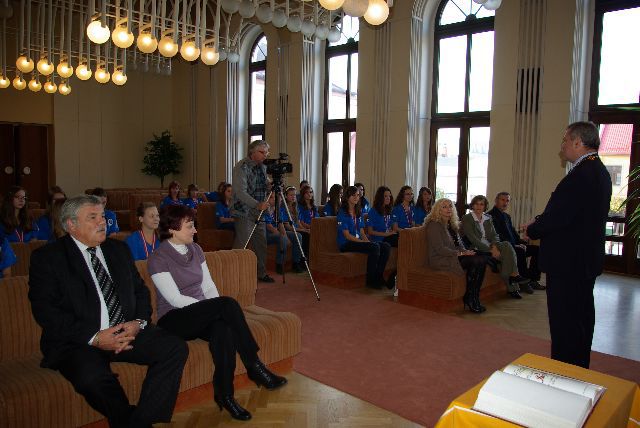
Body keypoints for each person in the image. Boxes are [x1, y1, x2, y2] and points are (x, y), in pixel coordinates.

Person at [28, 195, 188, 427]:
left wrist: (137, 323)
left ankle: (140, 421)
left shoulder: (118, 249)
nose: (102, 222)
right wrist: (95, 337)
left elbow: (140, 291)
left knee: (174, 348)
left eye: (102, 216)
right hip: (79, 341)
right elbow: (46, 311)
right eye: (92, 217)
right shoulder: (48, 258)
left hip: (126, 330)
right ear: (71, 225)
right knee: (91, 378)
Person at [148, 204, 287, 421]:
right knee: (227, 304)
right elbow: (174, 299)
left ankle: (225, 396)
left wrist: (213, 311)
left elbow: (208, 286)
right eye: (189, 226)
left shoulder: (196, 249)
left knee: (223, 330)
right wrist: (212, 308)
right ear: (172, 228)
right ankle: (254, 364)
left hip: (201, 313)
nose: (195, 230)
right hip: (174, 318)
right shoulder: (158, 258)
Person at [526, 121, 611, 369]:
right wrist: (542, 220)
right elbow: (574, 215)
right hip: (583, 260)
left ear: (577, 142)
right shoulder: (599, 171)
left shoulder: (581, 175)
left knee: (565, 322)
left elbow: (559, 216)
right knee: (581, 319)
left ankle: (565, 370)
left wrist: (533, 229)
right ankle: (578, 366)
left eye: (565, 140)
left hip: (568, 263)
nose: (562, 146)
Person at [426, 198, 489, 313]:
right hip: (440, 259)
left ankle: (473, 297)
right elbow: (440, 249)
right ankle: (470, 298)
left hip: (454, 255)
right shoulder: (434, 225)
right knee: (476, 261)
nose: (448, 209)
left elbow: (459, 244)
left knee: (482, 259)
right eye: (444, 207)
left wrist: (465, 251)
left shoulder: (452, 224)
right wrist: (461, 253)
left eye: (450, 206)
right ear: (438, 210)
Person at [461, 195, 530, 299]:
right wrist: (490, 250)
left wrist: (494, 246)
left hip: (490, 245)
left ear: (485, 206)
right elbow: (473, 239)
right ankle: (513, 284)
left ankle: (514, 275)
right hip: (477, 248)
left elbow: (494, 235)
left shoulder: (488, 218)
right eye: (476, 204)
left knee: (506, 245)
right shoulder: (467, 218)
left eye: (482, 204)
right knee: (506, 256)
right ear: (472, 206)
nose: (479, 206)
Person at [231, 140, 273, 283]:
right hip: (244, 211)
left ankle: (261, 273)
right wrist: (257, 204)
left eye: (267, 152)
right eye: (262, 152)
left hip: (259, 212)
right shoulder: (241, 167)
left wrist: (271, 186)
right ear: (252, 152)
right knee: (242, 244)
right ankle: (232, 275)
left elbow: (264, 185)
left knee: (261, 244)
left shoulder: (263, 167)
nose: (265, 155)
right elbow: (240, 192)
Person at [487, 192, 544, 291]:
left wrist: (521, 242)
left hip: (513, 245)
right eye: (502, 200)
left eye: (507, 201)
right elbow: (496, 236)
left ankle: (533, 280)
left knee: (537, 250)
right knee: (520, 251)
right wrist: (515, 245)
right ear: (496, 201)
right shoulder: (490, 216)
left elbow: (513, 233)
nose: (505, 203)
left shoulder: (507, 216)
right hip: (503, 247)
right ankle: (523, 283)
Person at [337, 186, 390, 289]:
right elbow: (347, 235)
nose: (356, 197)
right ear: (347, 197)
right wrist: (362, 242)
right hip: (346, 243)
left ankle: (379, 276)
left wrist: (367, 241)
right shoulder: (342, 212)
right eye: (353, 195)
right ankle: (371, 280)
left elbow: (361, 232)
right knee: (374, 248)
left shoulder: (358, 212)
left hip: (357, 241)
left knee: (386, 246)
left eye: (358, 195)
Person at [264, 193, 304, 274]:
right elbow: (269, 227)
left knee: (298, 236)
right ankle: (280, 264)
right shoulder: (265, 210)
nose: (274, 199)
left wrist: (285, 235)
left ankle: (296, 262)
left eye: (275, 197)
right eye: (271, 197)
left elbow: (281, 224)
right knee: (282, 238)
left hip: (276, 231)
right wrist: (283, 236)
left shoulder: (277, 210)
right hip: (267, 234)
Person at [281, 186, 311, 260]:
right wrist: (303, 230)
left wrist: (305, 229)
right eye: (291, 195)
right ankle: (298, 260)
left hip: (296, 228)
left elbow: (298, 222)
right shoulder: (283, 208)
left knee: (308, 233)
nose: (293, 197)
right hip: (288, 229)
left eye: (294, 195)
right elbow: (288, 227)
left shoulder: (296, 207)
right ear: (286, 196)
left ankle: (307, 258)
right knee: (302, 235)